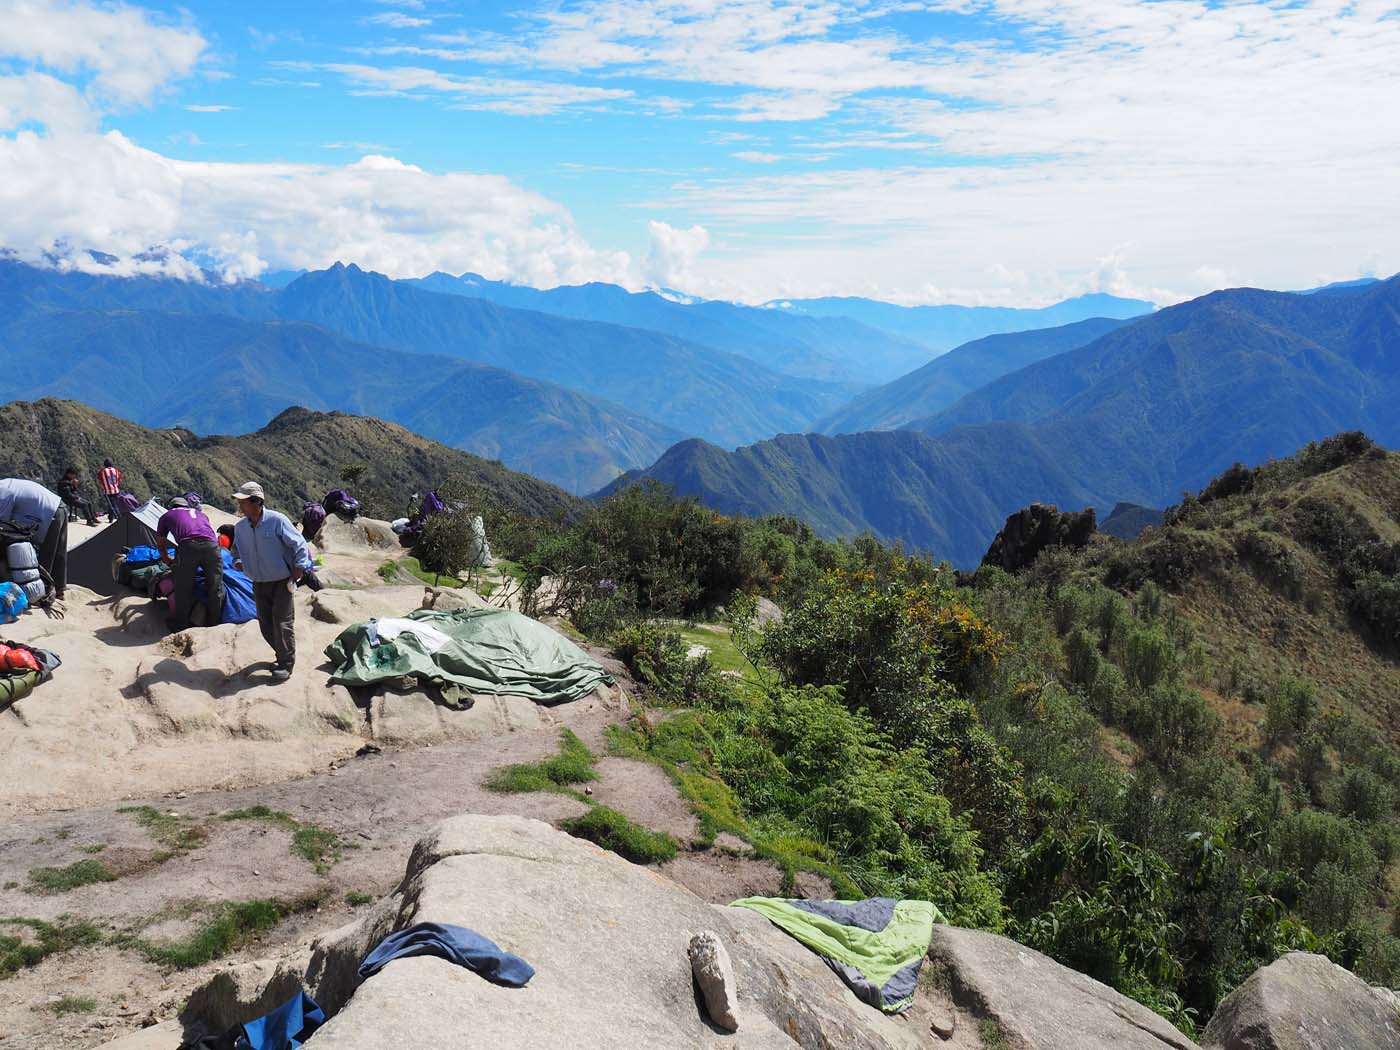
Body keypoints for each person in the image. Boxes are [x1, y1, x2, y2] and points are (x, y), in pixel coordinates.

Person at [229, 481, 311, 680]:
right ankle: (281, 654)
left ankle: (286, 663)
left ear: (257, 502)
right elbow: (235, 550)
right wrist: (238, 561)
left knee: (282, 622)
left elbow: (298, 543)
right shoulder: (240, 528)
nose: (240, 506)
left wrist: (299, 567)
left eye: (244, 502)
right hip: (258, 581)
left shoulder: (277, 520)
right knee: (266, 624)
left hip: (282, 580)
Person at [153, 497, 223, 630]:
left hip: (188, 546)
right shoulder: (201, 514)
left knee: (183, 587)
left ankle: (180, 624)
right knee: (216, 585)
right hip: (212, 547)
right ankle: (215, 623)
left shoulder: (166, 516)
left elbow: (161, 545)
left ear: (171, 506)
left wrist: (168, 560)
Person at [0, 478, 68, 601]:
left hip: (49, 513)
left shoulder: (2, 493)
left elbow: (2, 524)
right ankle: (60, 589)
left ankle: (43, 592)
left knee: (46, 554)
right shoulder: (5, 485)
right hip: (59, 506)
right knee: (59, 553)